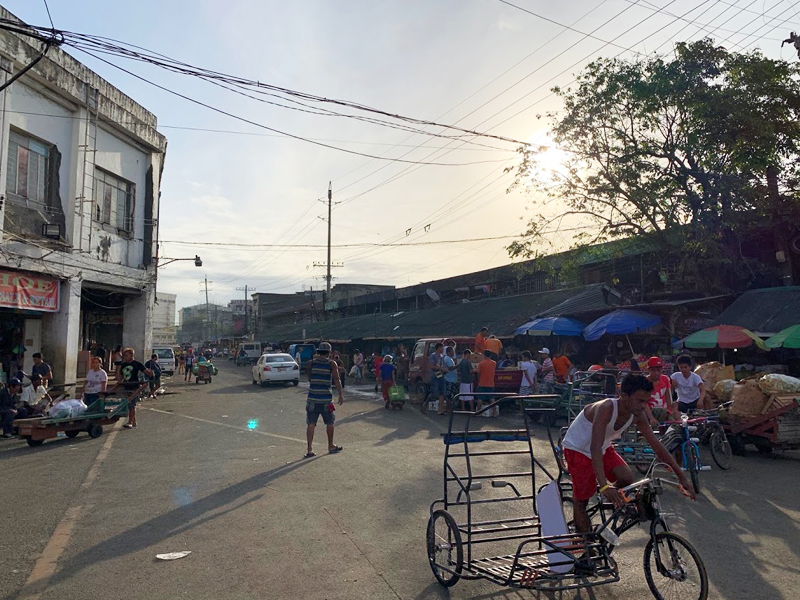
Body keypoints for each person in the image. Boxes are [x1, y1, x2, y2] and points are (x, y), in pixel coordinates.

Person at [562, 374, 694, 533]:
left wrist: (681, 476)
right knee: (582, 501)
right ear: (624, 396)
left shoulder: (638, 416)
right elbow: (594, 448)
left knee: (627, 477)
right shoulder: (606, 408)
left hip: (602, 447)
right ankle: (586, 544)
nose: (644, 406)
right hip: (578, 449)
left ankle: (610, 500)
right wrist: (604, 485)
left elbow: (657, 446)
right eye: (640, 401)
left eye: (647, 401)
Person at [304, 342, 344, 458]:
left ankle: (309, 449)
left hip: (312, 398)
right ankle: (331, 445)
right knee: (330, 422)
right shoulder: (332, 364)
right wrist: (340, 394)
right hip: (326, 399)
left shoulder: (311, 363)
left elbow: (310, 378)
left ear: (318, 351)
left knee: (311, 423)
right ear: (329, 352)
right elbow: (337, 379)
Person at [113, 348, 153, 429]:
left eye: (127, 355)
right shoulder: (123, 365)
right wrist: (118, 381)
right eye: (124, 355)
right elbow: (121, 376)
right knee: (128, 404)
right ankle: (134, 422)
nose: (125, 357)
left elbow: (146, 372)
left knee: (132, 405)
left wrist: (150, 373)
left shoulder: (137, 364)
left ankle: (130, 422)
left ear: (132, 355)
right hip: (126, 386)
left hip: (135, 387)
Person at [645, 357, 676, 427]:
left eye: (658, 370)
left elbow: (668, 399)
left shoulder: (665, 379)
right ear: (649, 370)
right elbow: (644, 404)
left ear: (662, 370)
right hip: (651, 411)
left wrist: (672, 411)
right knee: (662, 412)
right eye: (653, 370)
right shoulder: (644, 382)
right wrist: (651, 418)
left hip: (664, 411)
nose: (656, 373)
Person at [428, 343, 447, 415]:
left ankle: (440, 409)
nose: (443, 349)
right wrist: (440, 368)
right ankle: (425, 403)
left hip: (441, 376)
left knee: (442, 393)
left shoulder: (442, 356)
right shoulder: (433, 356)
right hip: (434, 376)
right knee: (434, 393)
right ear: (438, 348)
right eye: (442, 348)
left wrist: (445, 370)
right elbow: (431, 366)